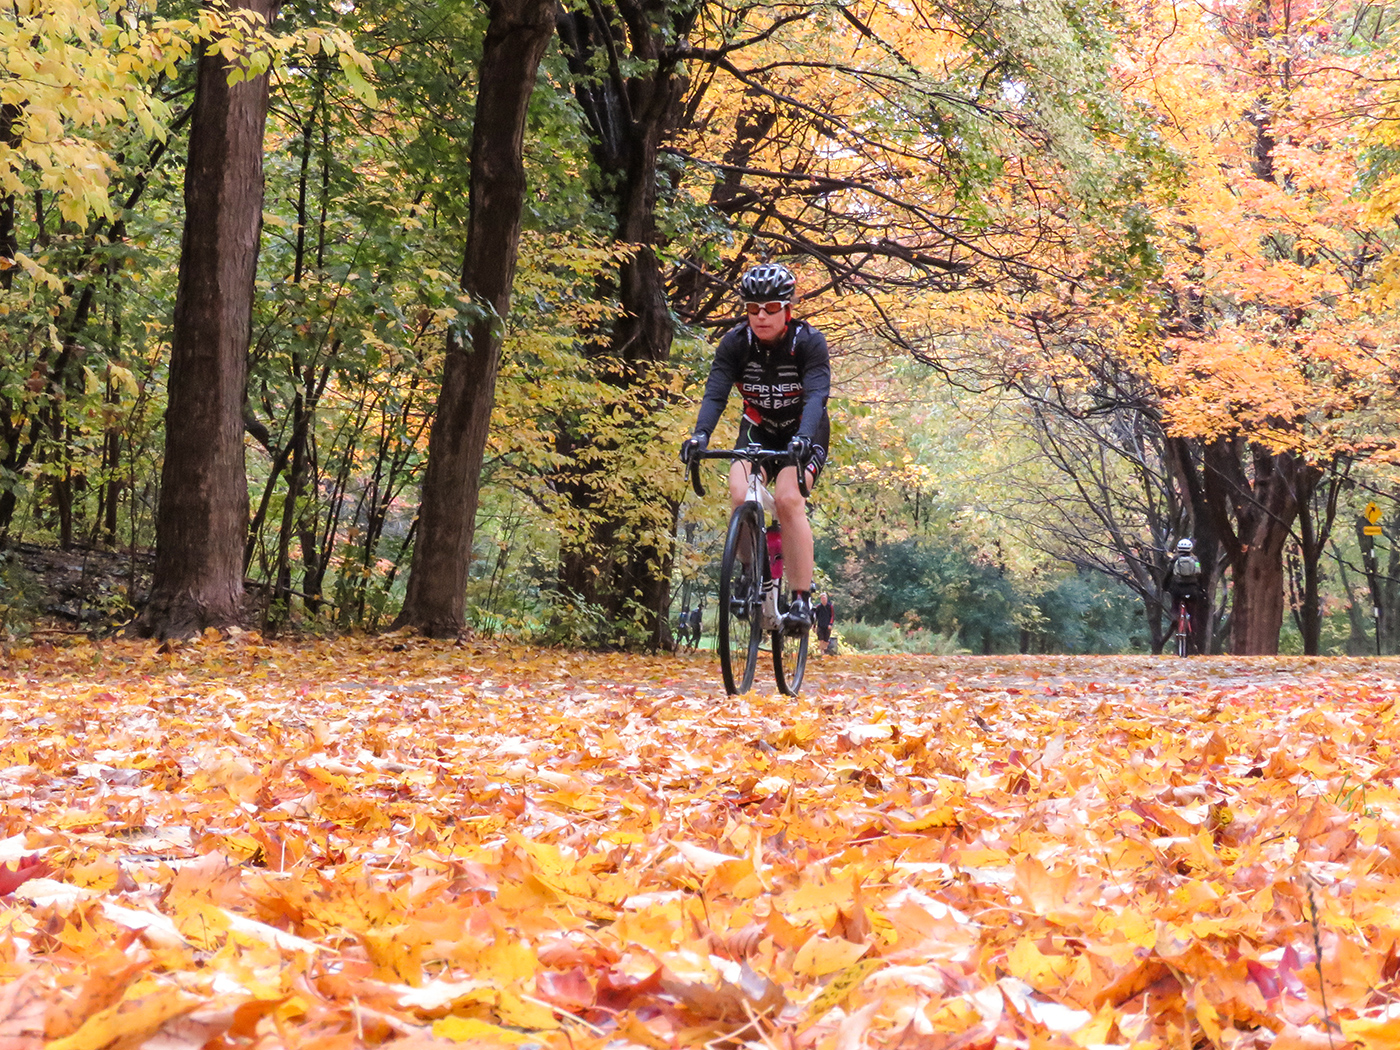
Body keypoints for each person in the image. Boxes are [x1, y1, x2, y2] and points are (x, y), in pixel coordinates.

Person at [679, 263, 831, 634]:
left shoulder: (808, 342)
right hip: (759, 429)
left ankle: (799, 600)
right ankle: (750, 573)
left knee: (787, 499)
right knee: (737, 491)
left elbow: (816, 398)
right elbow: (715, 394)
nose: (761, 316)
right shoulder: (735, 343)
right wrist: (700, 435)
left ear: (787, 309)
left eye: (771, 308)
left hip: (803, 431)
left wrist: (804, 439)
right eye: (752, 309)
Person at [1165, 538, 1203, 648]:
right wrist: (1200, 587)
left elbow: (1168, 575)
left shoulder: (1175, 560)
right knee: (1192, 613)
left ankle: (1175, 618)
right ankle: (1193, 632)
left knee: (1175, 606)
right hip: (1192, 589)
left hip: (1177, 589)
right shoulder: (1195, 560)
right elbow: (1199, 574)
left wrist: (1165, 586)